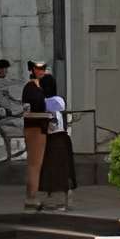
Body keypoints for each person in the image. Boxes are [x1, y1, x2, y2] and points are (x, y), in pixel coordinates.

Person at [35, 70, 76, 210]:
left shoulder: (51, 102)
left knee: (55, 171)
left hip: (53, 139)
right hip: (59, 138)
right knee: (57, 170)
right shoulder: (57, 100)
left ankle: (58, 201)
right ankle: (56, 199)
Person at [20, 61, 51, 206]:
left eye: (43, 68)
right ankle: (31, 197)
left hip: (41, 127)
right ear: (33, 70)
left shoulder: (40, 87)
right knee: (34, 164)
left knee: (37, 164)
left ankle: (32, 195)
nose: (42, 71)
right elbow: (27, 111)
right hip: (34, 127)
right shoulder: (30, 88)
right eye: (39, 69)